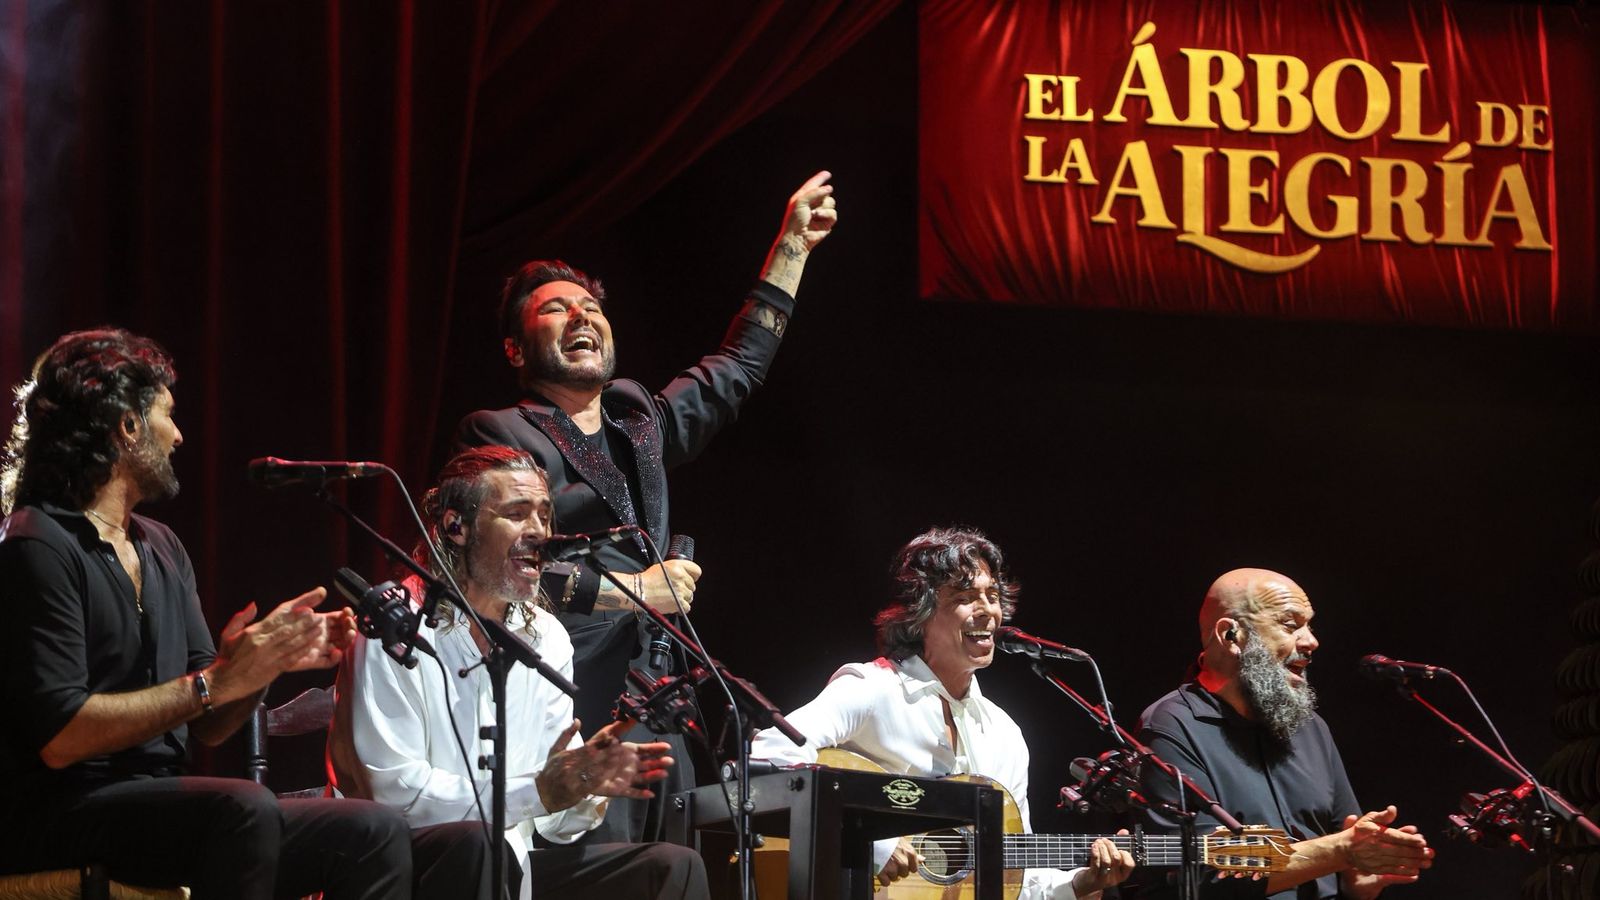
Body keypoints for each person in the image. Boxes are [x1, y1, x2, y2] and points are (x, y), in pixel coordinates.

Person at [452, 171, 838, 843]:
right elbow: (493, 568)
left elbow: (737, 368)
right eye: (555, 309)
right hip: (569, 699)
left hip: (660, 698)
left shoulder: (639, 422)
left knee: (676, 869)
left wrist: (792, 250)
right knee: (595, 873)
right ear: (516, 349)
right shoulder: (500, 433)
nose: (581, 316)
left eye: (590, 307)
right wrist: (634, 593)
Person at [0, 328, 414, 899]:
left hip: (159, 808)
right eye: (167, 415)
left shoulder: (162, 546)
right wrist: (213, 682)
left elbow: (210, 724)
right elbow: (62, 737)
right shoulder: (38, 543)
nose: (179, 435)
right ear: (127, 427)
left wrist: (260, 666)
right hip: (60, 810)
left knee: (372, 831)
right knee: (243, 810)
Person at [327, 445, 710, 900]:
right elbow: (393, 794)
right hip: (405, 873)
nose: (538, 532)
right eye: (516, 513)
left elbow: (553, 823)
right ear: (456, 527)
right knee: (478, 845)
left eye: (544, 516)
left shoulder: (546, 637)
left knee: (670, 868)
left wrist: (582, 783)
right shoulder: (392, 628)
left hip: (510, 871)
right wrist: (537, 791)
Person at [750, 527, 1135, 899]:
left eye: (992, 596)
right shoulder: (873, 689)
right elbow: (770, 759)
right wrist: (870, 841)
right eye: (965, 596)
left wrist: (1081, 883)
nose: (987, 611)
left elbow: (1013, 878)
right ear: (921, 612)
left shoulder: (1003, 733)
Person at [1131, 568, 1435, 900]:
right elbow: (1199, 874)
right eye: (1290, 625)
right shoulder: (1171, 726)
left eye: (1309, 626)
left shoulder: (1311, 727)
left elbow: (1345, 856)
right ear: (1230, 636)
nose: (1311, 641)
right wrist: (1341, 851)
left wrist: (1363, 875)